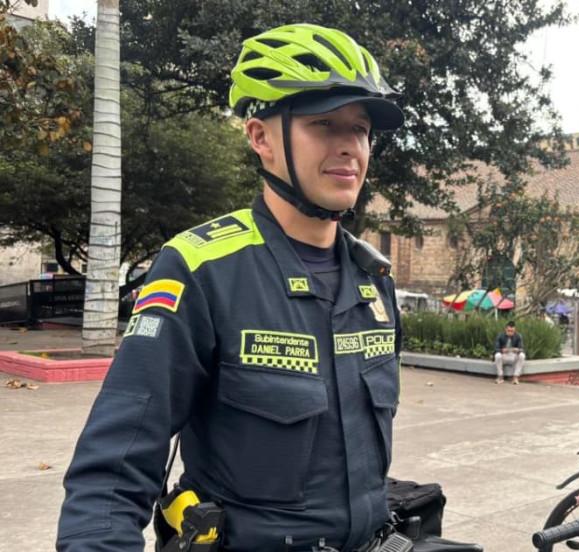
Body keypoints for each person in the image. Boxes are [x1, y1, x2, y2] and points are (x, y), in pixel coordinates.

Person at [58, 24, 406, 552]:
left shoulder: (373, 280)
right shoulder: (200, 268)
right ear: (261, 137)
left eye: (359, 129)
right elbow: (112, 473)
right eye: (324, 124)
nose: (348, 147)